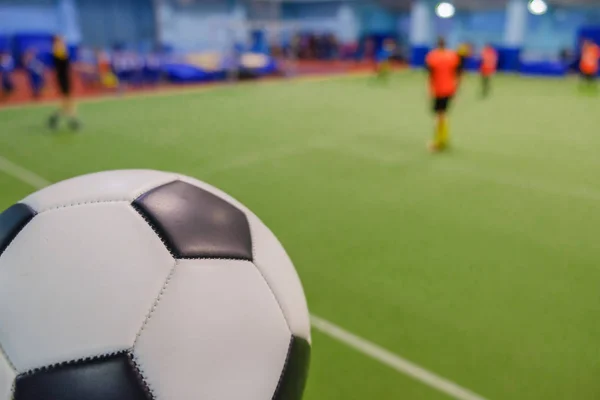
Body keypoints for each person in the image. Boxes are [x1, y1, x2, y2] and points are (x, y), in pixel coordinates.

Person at [425, 37, 462, 152]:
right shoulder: (453, 56)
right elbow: (458, 74)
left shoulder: (432, 56)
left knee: (438, 116)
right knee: (444, 114)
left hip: (438, 90)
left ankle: (437, 142)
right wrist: (456, 91)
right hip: (449, 89)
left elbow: (430, 75)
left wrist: (429, 90)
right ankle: (444, 139)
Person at [48, 35, 81, 131]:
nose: (63, 41)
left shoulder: (59, 50)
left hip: (64, 77)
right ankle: (73, 121)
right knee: (68, 101)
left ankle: (55, 118)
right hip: (63, 78)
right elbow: (65, 62)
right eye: (61, 40)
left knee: (67, 102)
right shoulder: (57, 50)